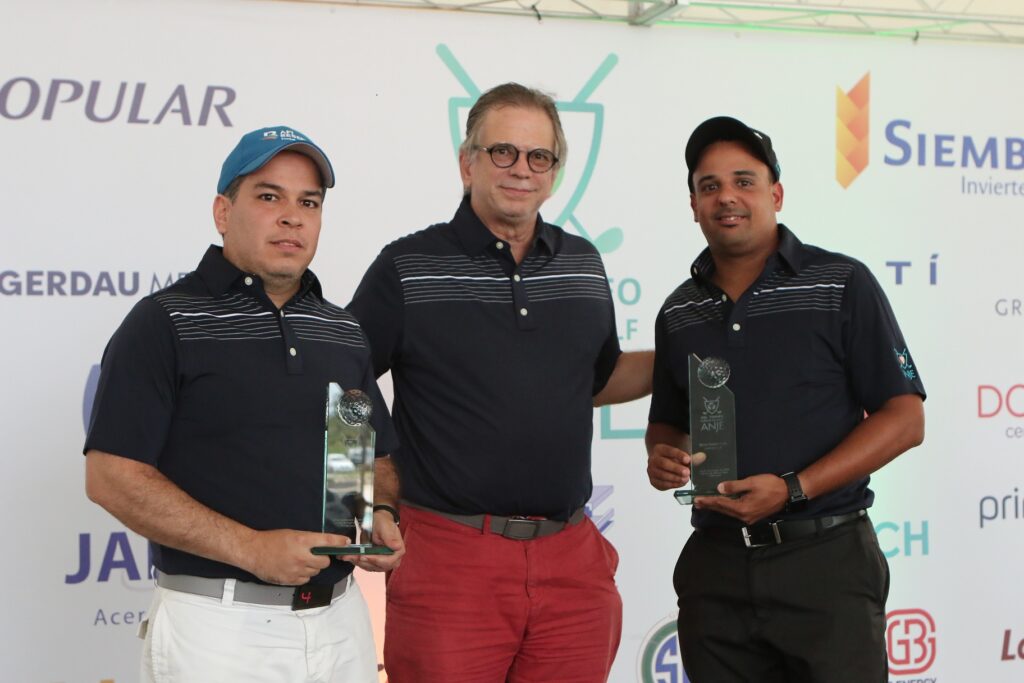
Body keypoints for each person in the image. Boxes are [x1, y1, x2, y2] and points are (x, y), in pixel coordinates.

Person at [347, 82, 652, 683]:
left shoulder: (582, 263)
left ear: (554, 172)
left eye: (539, 156)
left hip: (571, 560)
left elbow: (597, 379)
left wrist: (691, 355)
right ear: (468, 163)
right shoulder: (408, 266)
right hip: (450, 558)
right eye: (503, 152)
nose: (521, 169)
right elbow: (343, 388)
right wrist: (361, 501)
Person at [84, 125, 404, 683]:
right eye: (269, 196)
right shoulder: (165, 322)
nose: (292, 217)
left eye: (309, 202)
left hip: (341, 622)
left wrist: (379, 514)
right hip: (217, 627)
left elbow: (364, 456)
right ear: (223, 212)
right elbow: (111, 477)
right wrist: (252, 549)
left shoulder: (341, 331)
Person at [645, 115, 926, 682]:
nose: (727, 196)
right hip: (716, 568)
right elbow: (668, 422)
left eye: (744, 181)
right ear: (694, 205)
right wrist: (662, 455)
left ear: (775, 194)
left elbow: (905, 418)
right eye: (709, 186)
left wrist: (793, 488)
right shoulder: (678, 311)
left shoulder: (840, 283)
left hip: (826, 561)